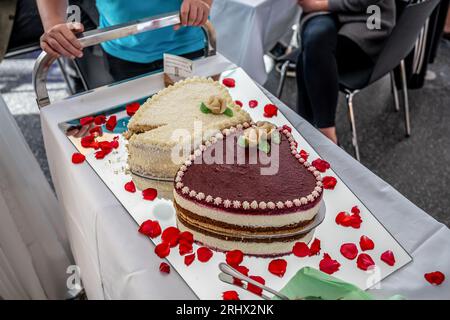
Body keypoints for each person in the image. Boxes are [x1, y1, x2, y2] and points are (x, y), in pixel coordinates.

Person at [295, 0, 396, 144]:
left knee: (310, 56)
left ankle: (324, 134)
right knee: (314, 43)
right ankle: (311, 132)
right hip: (330, 15)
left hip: (368, 18)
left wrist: (321, 4)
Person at [37, 0, 212, 82]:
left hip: (185, 42)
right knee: (139, 128)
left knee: (192, 120)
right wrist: (54, 23)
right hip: (122, 47)